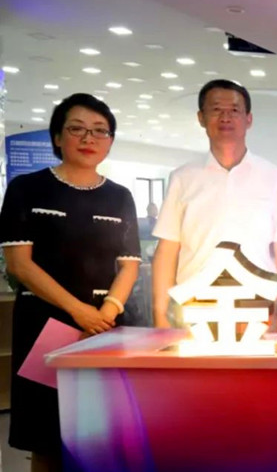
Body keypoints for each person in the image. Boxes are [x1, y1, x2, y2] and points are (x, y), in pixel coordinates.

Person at [0, 93, 140, 470]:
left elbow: (129, 266)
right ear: (57, 137)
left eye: (99, 131)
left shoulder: (120, 196)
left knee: (101, 432)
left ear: (110, 141)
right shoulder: (27, 188)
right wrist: (79, 311)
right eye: (77, 129)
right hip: (44, 324)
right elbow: (20, 265)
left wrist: (107, 311)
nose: (88, 138)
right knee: (46, 435)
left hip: (104, 328)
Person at [151, 79, 277, 332]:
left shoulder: (273, 177)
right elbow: (167, 249)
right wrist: (159, 312)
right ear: (201, 118)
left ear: (248, 119)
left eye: (234, 110)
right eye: (216, 109)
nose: (225, 117)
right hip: (194, 306)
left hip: (257, 307)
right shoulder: (183, 178)